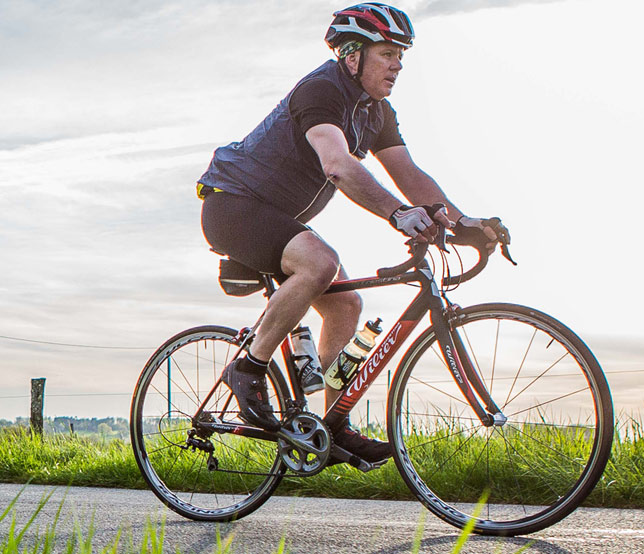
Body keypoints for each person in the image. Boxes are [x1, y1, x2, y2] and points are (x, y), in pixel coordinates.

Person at [195, 2, 506, 466]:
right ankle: (247, 367)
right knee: (319, 262)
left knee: (346, 303)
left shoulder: (377, 112)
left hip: (279, 218)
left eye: (402, 54)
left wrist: (461, 224)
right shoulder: (321, 90)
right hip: (233, 204)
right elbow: (338, 164)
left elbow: (409, 174)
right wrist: (398, 215)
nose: (398, 64)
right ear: (352, 55)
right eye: (388, 52)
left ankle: (332, 425)